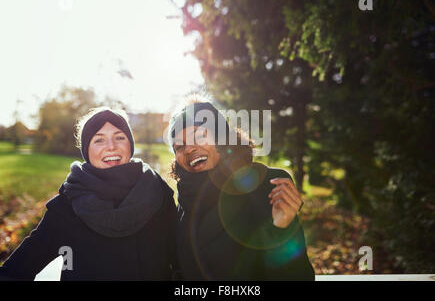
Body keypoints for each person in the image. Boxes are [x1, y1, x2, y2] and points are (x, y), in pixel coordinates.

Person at [0, 107, 177, 280]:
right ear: (86, 150)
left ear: (130, 144)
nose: (111, 147)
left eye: (119, 137)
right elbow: (17, 269)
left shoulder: (157, 192)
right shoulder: (67, 205)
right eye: (99, 140)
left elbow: (181, 263)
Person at [168, 98, 315, 280]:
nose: (189, 148)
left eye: (199, 136)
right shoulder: (183, 201)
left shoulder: (267, 186)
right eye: (179, 146)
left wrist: (282, 227)